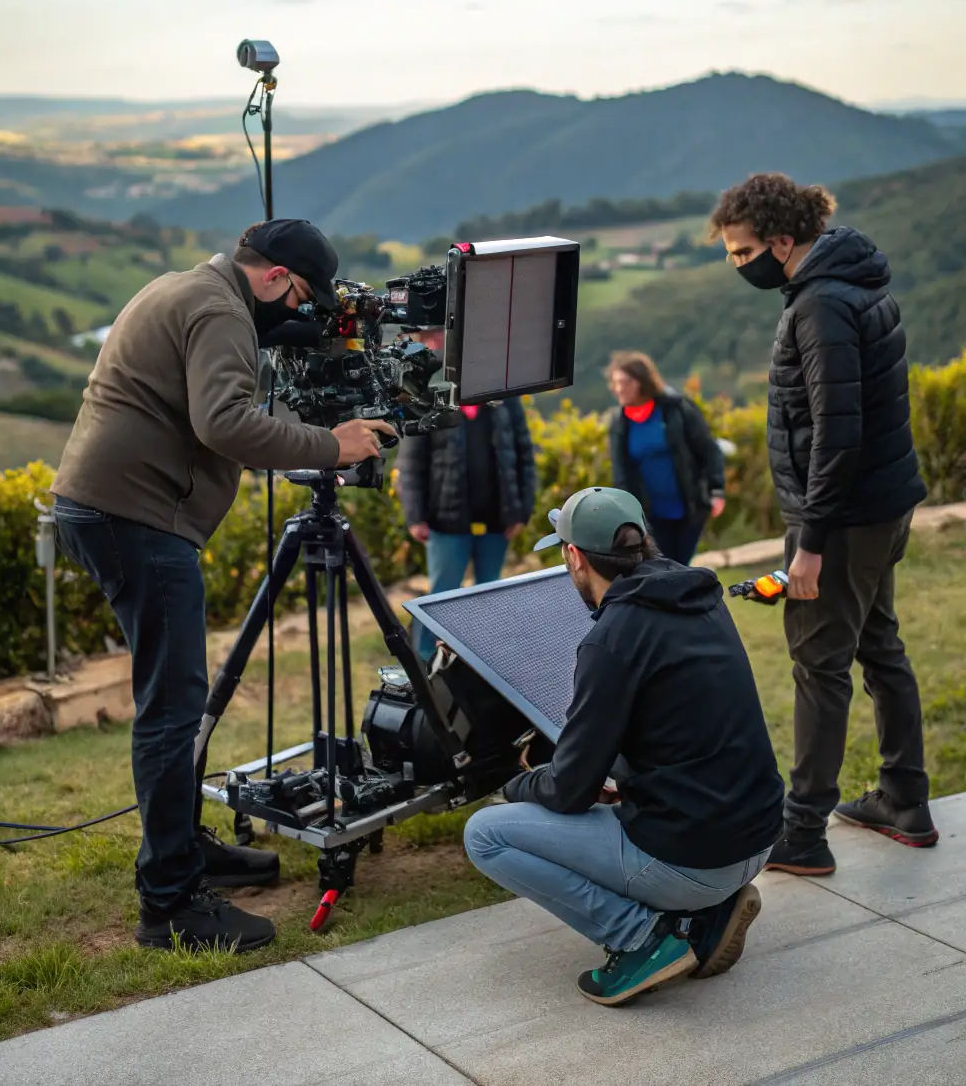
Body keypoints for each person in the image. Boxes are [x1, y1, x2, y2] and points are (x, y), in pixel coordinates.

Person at [51, 219, 396, 952]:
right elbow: (224, 421)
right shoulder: (218, 311)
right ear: (272, 276)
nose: (296, 310)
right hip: (137, 516)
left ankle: (182, 851)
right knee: (174, 710)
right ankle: (171, 904)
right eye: (299, 295)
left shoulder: (189, 287)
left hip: (111, 506)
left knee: (171, 701)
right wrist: (332, 444)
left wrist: (288, 338)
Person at [463, 486, 783, 1007]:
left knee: (486, 835)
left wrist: (516, 782)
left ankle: (641, 937)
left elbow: (568, 790)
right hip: (760, 834)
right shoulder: (697, 595)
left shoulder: (612, 638)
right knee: (613, 799)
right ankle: (705, 914)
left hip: (697, 859)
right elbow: (675, 723)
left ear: (574, 557)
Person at [709, 172, 936, 878]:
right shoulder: (857, 279)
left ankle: (803, 831)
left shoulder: (819, 307)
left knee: (819, 665)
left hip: (841, 518)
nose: (738, 265)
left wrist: (807, 543)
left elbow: (837, 433)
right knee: (880, 645)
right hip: (881, 506)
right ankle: (904, 799)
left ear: (782, 239)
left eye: (743, 252)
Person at [399, 331, 536, 609]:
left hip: (497, 520)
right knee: (442, 596)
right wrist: (415, 516)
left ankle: (480, 651)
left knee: (490, 594)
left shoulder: (506, 399)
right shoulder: (432, 398)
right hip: (446, 522)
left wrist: (522, 510)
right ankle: (427, 653)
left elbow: (524, 454)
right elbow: (412, 464)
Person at [607, 350, 726, 566]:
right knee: (665, 567)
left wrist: (716, 490)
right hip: (650, 516)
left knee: (680, 564)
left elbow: (709, 450)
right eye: (616, 383)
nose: (619, 389)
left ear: (642, 381)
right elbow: (621, 472)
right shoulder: (619, 424)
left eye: (625, 382)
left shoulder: (677, 409)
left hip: (689, 509)